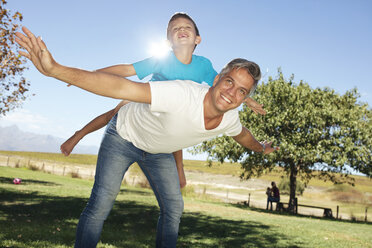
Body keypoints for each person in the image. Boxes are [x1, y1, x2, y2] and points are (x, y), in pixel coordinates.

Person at [15, 26, 279, 248]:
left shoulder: (231, 118)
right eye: (229, 82)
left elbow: (245, 138)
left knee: (174, 208)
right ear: (216, 80)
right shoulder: (182, 93)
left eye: (242, 91)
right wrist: (56, 70)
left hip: (158, 152)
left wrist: (262, 149)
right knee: (100, 204)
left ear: (245, 98)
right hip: (123, 136)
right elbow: (122, 86)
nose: (232, 93)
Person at [60, 13, 266, 189]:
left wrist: (248, 100)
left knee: (179, 132)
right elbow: (126, 70)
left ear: (198, 39)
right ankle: (79, 135)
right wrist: (90, 74)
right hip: (147, 101)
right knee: (112, 114)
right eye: (175, 28)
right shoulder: (161, 60)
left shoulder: (204, 65)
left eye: (187, 27)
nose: (182, 29)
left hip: (176, 110)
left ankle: (179, 171)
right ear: (168, 41)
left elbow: (226, 85)